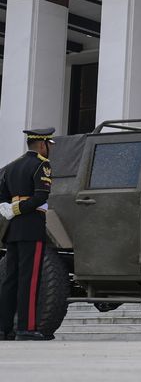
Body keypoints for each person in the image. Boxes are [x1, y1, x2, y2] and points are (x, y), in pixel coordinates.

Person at [0, 127, 55, 341]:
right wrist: (20, 209)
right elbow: (41, 196)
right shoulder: (42, 164)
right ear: (42, 145)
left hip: (12, 229)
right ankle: (27, 328)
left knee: (10, 280)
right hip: (31, 228)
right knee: (29, 280)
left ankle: (4, 329)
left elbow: (2, 194)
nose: (49, 149)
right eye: (48, 145)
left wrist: (9, 209)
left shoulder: (12, 167)